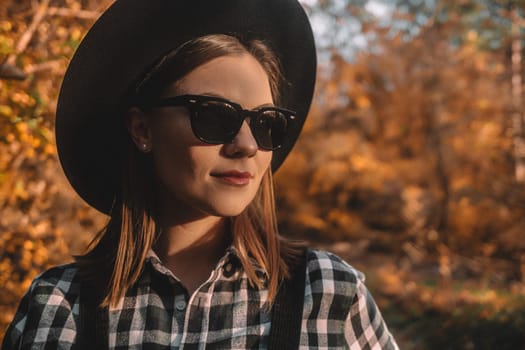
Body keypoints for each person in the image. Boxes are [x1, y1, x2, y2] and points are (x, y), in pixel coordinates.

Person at [2, 0, 399, 349]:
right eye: (214, 116)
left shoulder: (330, 296)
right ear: (142, 129)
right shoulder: (58, 308)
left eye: (265, 123)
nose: (246, 144)